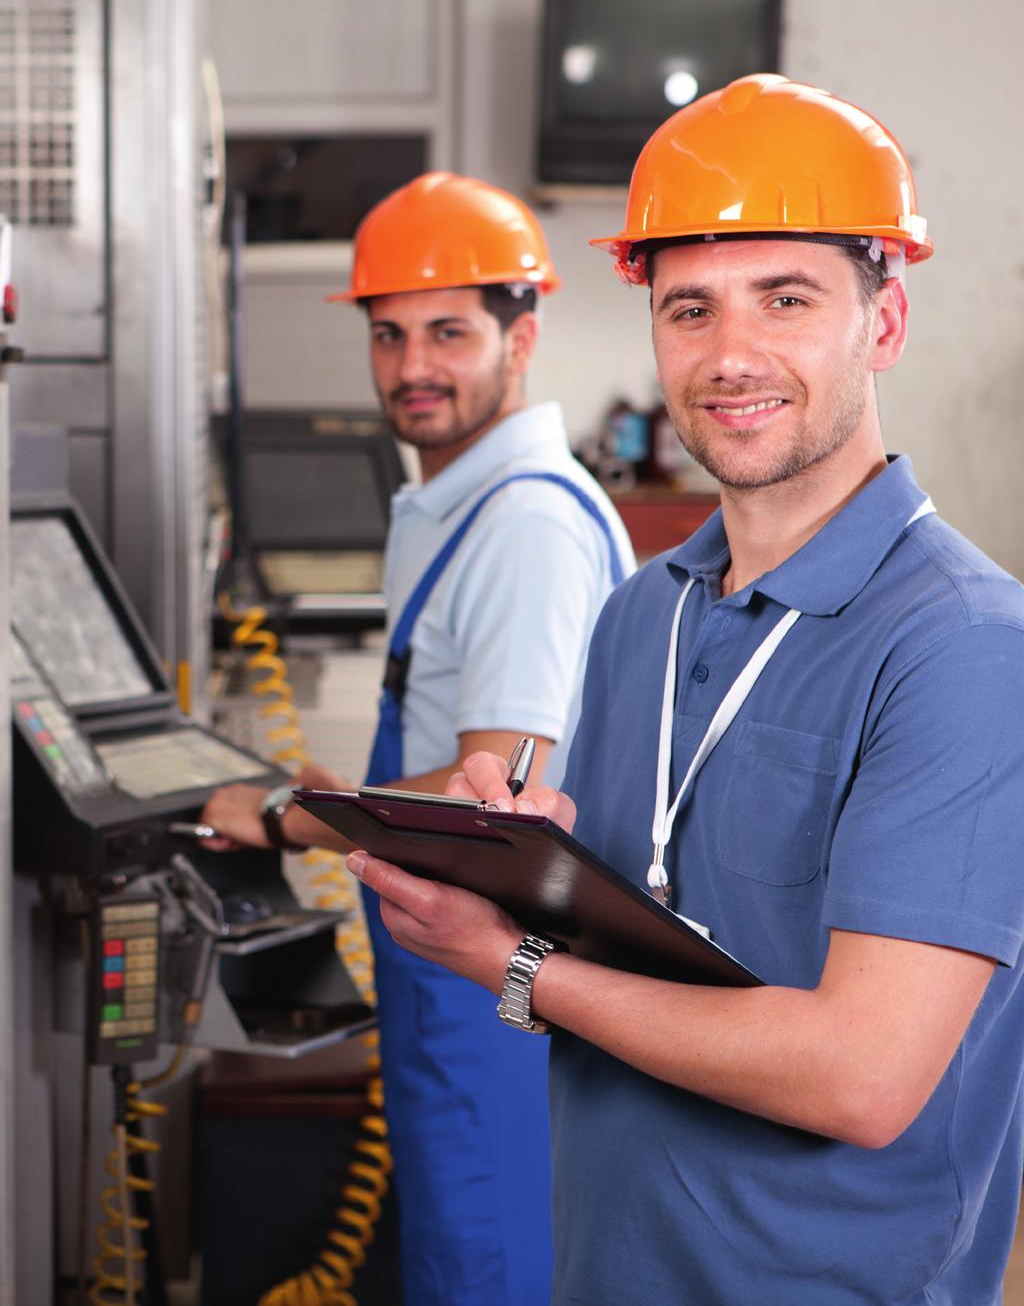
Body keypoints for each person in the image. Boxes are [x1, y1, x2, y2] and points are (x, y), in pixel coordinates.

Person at [345, 76, 1024, 1305]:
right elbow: (646, 933)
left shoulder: (966, 647)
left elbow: (859, 1077)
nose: (730, 355)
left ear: (883, 322)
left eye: (786, 299)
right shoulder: (639, 614)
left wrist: (511, 962)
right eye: (689, 308)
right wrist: (527, 866)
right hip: (607, 1264)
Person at [201, 171, 636, 1305]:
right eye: (388, 335)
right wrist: (361, 792)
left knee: (489, 1266)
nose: (412, 367)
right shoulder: (460, 502)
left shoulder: (527, 521)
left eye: (449, 331)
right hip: (448, 971)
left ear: (521, 336)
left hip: (494, 985)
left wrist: (289, 818)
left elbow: (493, 792)